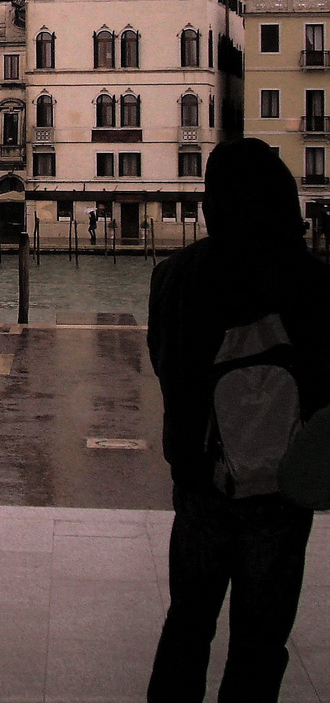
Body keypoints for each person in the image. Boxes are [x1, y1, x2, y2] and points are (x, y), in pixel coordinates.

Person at [146, 138, 330, 703]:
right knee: (260, 640)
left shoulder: (174, 276)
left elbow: (165, 365)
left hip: (201, 484)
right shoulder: (313, 283)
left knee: (188, 626)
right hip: (280, 492)